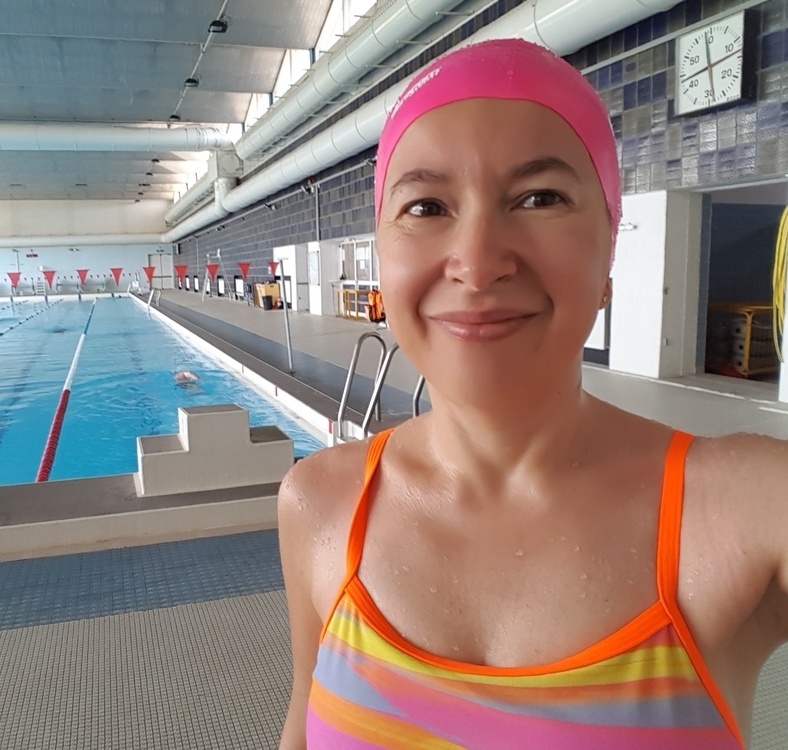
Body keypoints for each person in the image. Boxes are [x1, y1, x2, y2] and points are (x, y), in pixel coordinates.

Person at [278, 39, 787, 749]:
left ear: (609, 250)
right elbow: (301, 724)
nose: (478, 262)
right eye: (427, 206)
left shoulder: (752, 507)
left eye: (540, 197)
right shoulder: (319, 503)